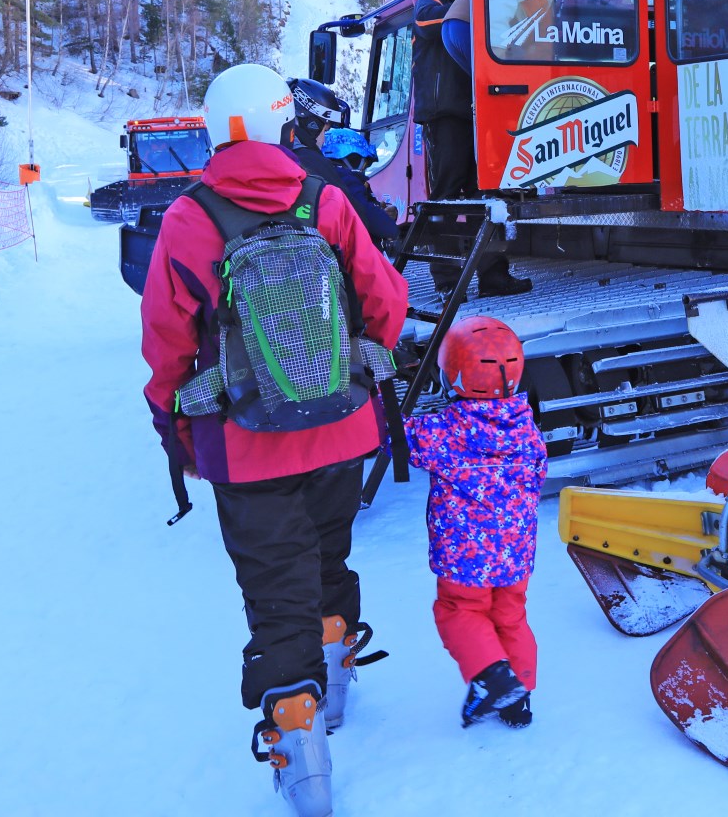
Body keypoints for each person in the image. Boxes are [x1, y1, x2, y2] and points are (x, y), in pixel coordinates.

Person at [141, 64, 408, 817]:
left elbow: (165, 338)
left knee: (274, 585)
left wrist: (175, 424)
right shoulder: (323, 199)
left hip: (243, 444)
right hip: (340, 424)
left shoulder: (191, 219)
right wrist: (358, 374)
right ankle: (338, 674)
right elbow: (385, 300)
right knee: (329, 553)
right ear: (286, 124)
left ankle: (303, 756)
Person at [403, 316, 546, 729]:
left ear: (454, 376)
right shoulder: (528, 427)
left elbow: (399, 438)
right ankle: (519, 701)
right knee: (511, 616)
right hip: (516, 551)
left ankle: (493, 678)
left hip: (465, 556)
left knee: (459, 611)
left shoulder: (443, 431)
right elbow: (537, 476)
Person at [411, 0, 531, 298]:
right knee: (447, 196)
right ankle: (448, 282)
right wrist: (470, 8)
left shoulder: (486, 4)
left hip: (481, 112)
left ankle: (494, 276)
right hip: (445, 113)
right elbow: (427, 24)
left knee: (487, 196)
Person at [286, 76, 401, 256]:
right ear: (312, 125)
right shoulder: (312, 162)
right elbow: (358, 218)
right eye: (325, 130)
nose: (324, 140)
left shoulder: (283, 154)